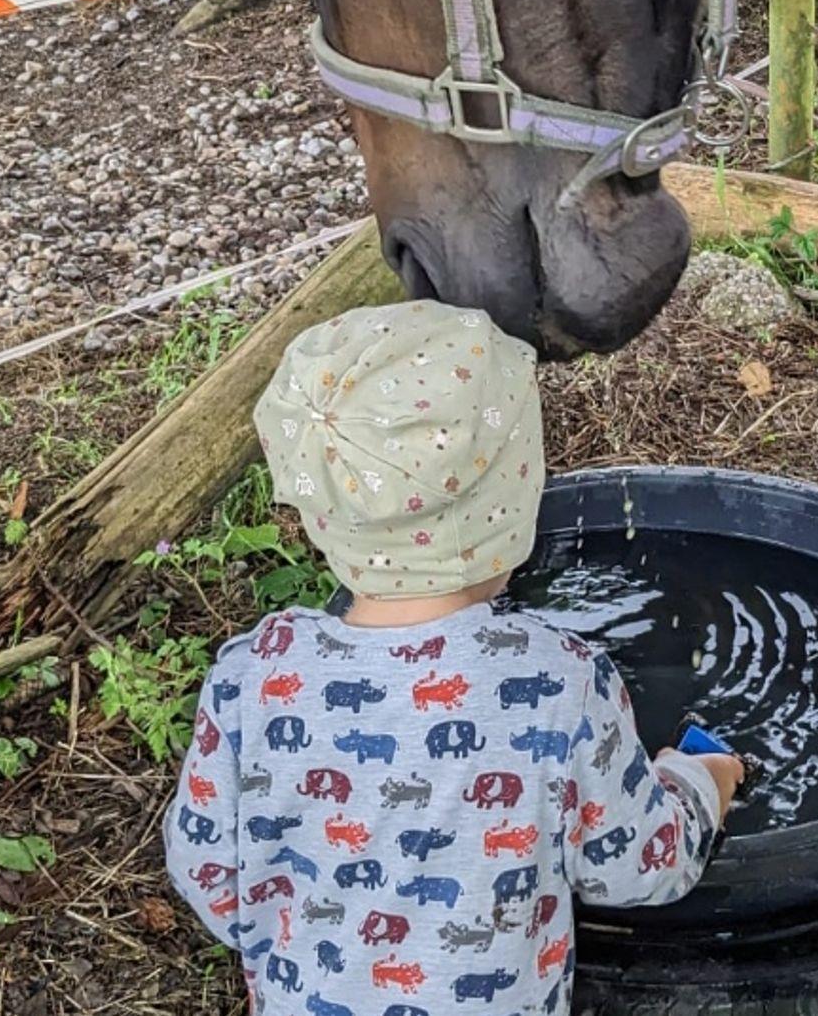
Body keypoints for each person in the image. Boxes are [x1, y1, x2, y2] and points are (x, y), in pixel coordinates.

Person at [165, 299, 743, 1015]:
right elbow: (637, 867)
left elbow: (206, 870)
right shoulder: (556, 683)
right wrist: (699, 781)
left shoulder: (252, 676)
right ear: (511, 499)